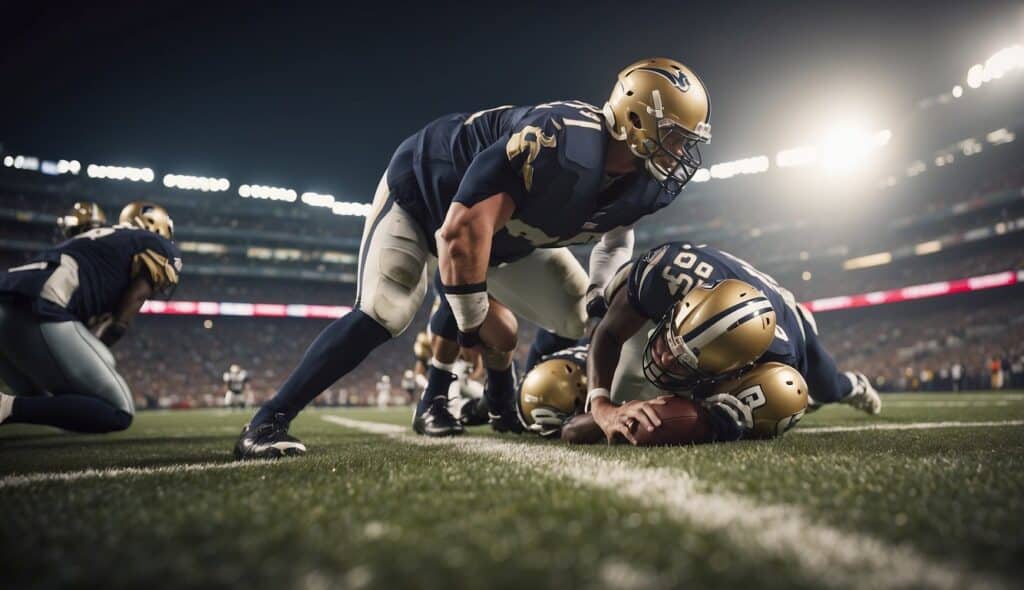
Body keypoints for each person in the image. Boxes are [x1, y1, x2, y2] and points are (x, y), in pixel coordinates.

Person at [235, 57, 713, 458]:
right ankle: (267, 421)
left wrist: (595, 294)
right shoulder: (560, 141)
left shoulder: (647, 183)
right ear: (634, 120)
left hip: (507, 237)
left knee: (583, 316)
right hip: (426, 200)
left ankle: (501, 402)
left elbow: (614, 239)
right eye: (674, 136)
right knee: (387, 311)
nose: (682, 152)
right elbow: (461, 235)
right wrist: (468, 329)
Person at [584, 241, 881, 443]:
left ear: (737, 367)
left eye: (686, 359)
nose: (664, 359)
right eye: (671, 340)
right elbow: (607, 332)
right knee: (600, 312)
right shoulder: (663, 273)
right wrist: (600, 405)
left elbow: (724, 420)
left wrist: (711, 418)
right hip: (718, 283)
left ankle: (854, 385)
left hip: (787, 317)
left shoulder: (777, 362)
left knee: (824, 388)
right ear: (677, 306)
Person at [0, 202, 180, 433]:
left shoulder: (99, 240)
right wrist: (116, 328)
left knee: (40, 398)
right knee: (119, 412)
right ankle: (5, 406)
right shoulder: (155, 244)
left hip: (10, 297)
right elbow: (132, 304)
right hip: (39, 304)